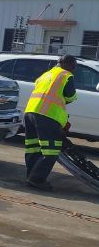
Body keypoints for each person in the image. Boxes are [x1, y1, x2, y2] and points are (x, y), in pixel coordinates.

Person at [23, 54, 78, 191]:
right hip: (47, 115)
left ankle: (31, 176)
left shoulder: (46, 74)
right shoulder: (66, 75)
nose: (74, 69)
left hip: (30, 112)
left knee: (33, 148)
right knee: (51, 150)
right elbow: (70, 96)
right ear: (69, 64)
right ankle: (37, 179)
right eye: (74, 66)